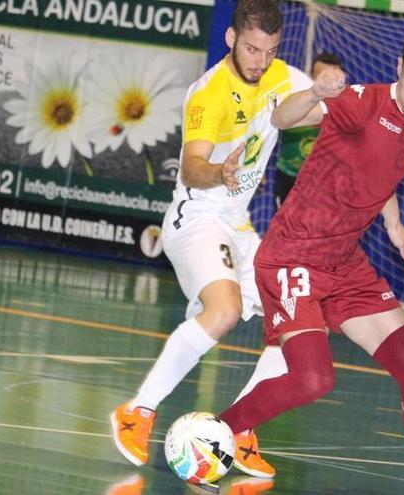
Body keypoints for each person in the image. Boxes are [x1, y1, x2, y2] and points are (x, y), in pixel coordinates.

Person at [216, 27, 404, 495]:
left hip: (344, 264)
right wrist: (313, 91)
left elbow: (381, 170)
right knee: (313, 379)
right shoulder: (362, 102)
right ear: (398, 68)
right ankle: (218, 431)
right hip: (293, 255)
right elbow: (284, 119)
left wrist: (392, 221)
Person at [110, 0, 312, 479]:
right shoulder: (210, 93)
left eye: (269, 50)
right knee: (223, 311)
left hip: (238, 225)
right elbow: (191, 167)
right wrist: (220, 171)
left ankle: (241, 430)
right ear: (231, 39)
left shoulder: (283, 77)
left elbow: (324, 110)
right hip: (195, 219)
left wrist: (344, 96)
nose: (260, 61)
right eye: (251, 48)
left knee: (295, 320)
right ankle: (137, 410)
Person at [273, 52, 345, 209]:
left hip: (323, 183)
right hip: (289, 177)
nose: (327, 83)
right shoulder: (292, 104)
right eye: (322, 77)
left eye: (332, 78)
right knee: (283, 230)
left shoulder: (345, 112)